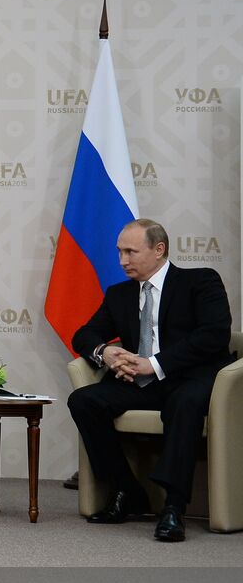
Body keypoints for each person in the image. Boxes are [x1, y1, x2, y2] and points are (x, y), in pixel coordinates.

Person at [67, 218, 234, 542]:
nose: (122, 261)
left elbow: (214, 335)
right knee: (84, 401)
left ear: (159, 250)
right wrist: (107, 353)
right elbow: (84, 335)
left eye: (130, 251)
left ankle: (173, 506)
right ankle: (126, 490)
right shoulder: (119, 294)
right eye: (119, 252)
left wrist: (153, 364)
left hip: (190, 378)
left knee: (183, 404)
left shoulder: (200, 281)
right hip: (142, 385)